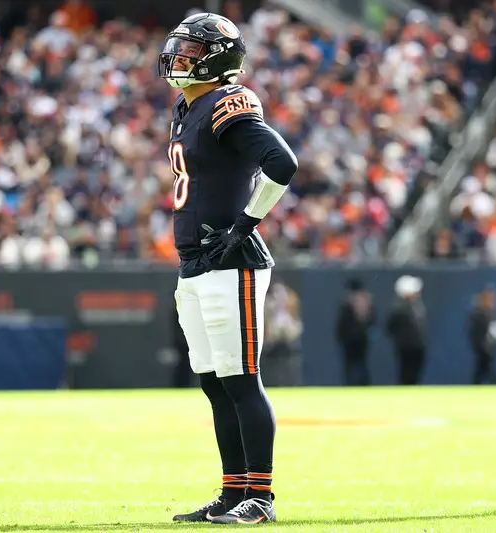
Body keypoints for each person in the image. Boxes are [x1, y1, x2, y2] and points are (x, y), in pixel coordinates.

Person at [159, 13, 298, 525]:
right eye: (179, 48)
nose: (179, 58)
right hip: (195, 262)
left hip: (230, 261)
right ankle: (231, 491)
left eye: (191, 51)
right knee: (216, 384)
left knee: (241, 380)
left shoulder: (225, 101)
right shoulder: (186, 106)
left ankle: (259, 496)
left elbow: (282, 163)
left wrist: (243, 227)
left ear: (218, 59)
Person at [385, 275, 427, 385]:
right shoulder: (399, 308)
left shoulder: (417, 306)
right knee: (406, 372)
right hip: (406, 346)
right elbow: (390, 327)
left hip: (417, 345)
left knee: (415, 372)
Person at [335, 278, 375, 386]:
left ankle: (354, 384)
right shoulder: (367, 301)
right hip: (360, 339)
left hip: (351, 340)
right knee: (360, 363)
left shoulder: (347, 303)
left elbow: (341, 324)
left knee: (353, 365)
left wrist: (340, 337)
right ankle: (361, 384)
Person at [467, 285, 496, 384]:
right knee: (481, 370)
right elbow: (473, 333)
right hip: (481, 349)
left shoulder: (495, 313)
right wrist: (481, 346)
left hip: (492, 349)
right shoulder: (476, 314)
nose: (490, 300)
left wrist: (494, 342)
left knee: (491, 371)